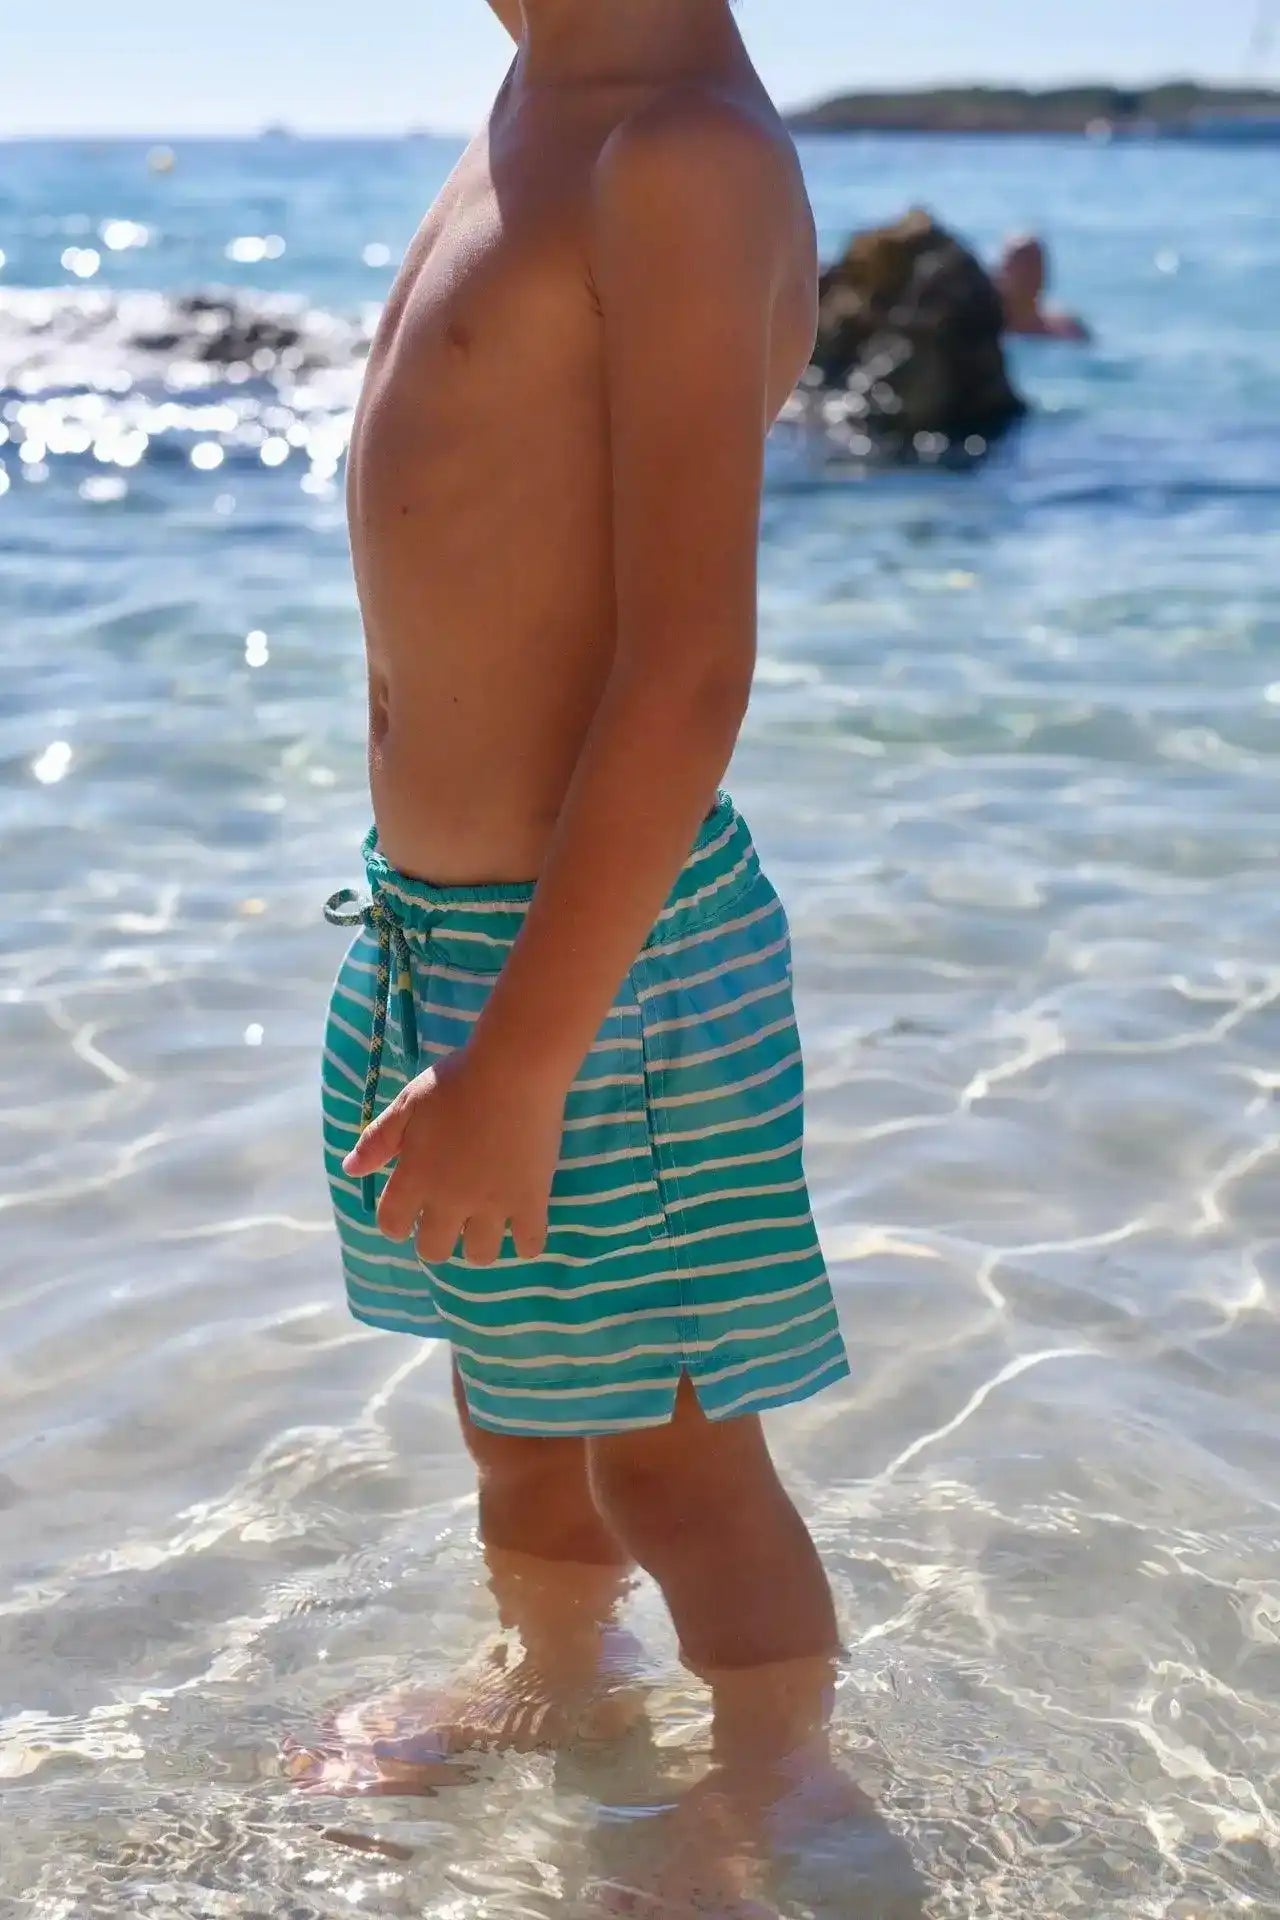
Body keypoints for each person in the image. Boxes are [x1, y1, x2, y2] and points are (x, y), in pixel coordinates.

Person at [298, 0, 860, 1904]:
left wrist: (529, 1057)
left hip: (597, 978)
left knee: (681, 1455)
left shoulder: (679, 156)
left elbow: (691, 666)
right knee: (516, 1388)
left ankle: (782, 1792)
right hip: (442, 932)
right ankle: (555, 1680)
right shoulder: (546, 93)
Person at [996, 233, 1091, 341]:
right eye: (1020, 265)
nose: (1027, 274)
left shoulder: (1068, 330)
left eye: (1033, 265)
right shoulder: (983, 328)